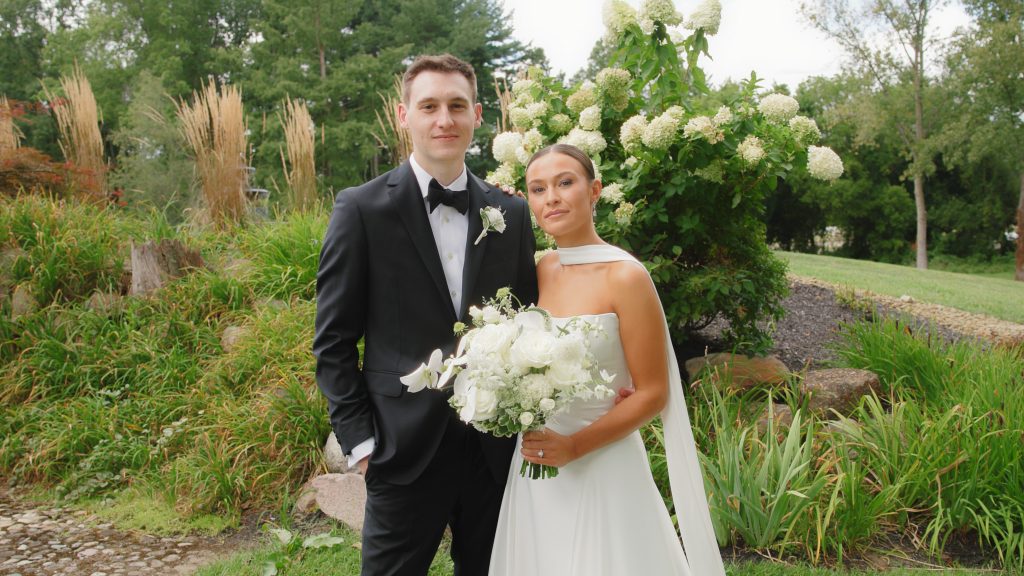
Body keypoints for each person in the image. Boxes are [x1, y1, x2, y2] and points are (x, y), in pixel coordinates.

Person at [313, 54, 538, 575]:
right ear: (403, 115)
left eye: (457, 106)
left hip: (493, 450)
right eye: (430, 106)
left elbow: (527, 320)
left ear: (478, 115)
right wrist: (362, 443)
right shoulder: (361, 210)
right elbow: (333, 341)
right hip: (401, 448)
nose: (444, 120)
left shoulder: (511, 213)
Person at [488, 144, 726, 576]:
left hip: (600, 460)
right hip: (535, 463)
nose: (552, 198)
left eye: (565, 183)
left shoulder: (625, 275)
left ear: (594, 190)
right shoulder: (541, 268)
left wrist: (574, 447)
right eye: (538, 189)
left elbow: (653, 393)